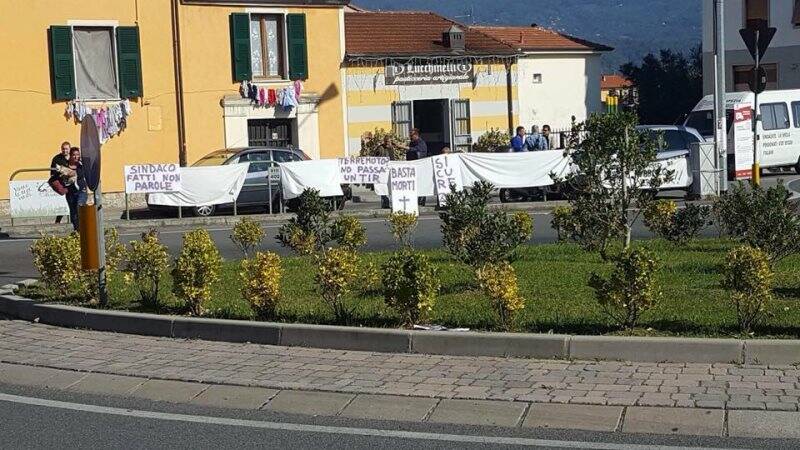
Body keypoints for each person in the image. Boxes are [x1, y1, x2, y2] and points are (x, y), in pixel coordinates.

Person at [61, 147, 87, 231]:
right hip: (70, 192)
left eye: (77, 155)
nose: (76, 157)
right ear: (70, 156)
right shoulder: (65, 165)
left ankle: (83, 229)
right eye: (74, 155)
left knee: (79, 207)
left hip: (81, 191)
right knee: (73, 213)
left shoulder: (81, 165)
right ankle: (77, 230)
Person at [48, 141, 71, 224]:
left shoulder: (73, 158)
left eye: (66, 149)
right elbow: (52, 173)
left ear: (69, 149)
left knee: (71, 202)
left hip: (71, 183)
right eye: (63, 149)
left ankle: (73, 220)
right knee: (63, 203)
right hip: (61, 184)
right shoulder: (57, 159)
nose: (65, 151)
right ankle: (58, 220)